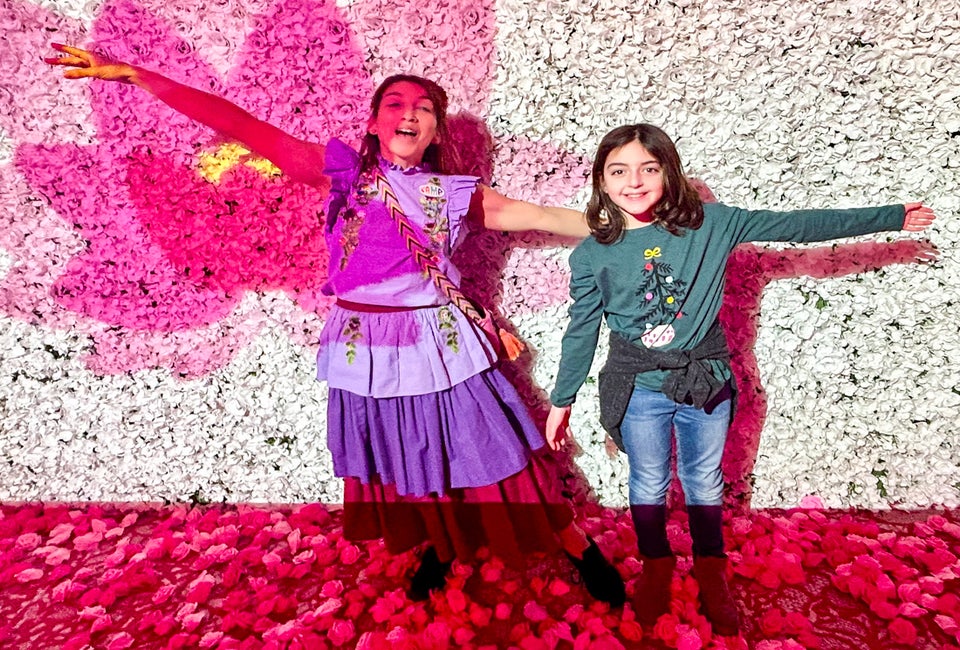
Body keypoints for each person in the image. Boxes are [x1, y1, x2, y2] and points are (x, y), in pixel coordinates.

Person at [46, 44, 626, 605]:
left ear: (435, 133)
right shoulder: (342, 175)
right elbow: (244, 127)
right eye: (396, 103)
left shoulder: (454, 195)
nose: (410, 113)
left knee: (492, 450)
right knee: (403, 456)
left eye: (424, 108)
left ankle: (574, 546)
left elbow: (550, 217)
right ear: (374, 123)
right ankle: (443, 548)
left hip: (441, 344)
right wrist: (137, 77)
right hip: (363, 347)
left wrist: (642, 224)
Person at [544, 123, 936, 635]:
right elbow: (581, 329)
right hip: (638, 386)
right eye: (619, 170)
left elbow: (796, 225)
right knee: (647, 479)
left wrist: (891, 216)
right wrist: (563, 397)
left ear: (668, 173)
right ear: (601, 179)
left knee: (704, 479)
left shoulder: (711, 224)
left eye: (649, 168)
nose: (634, 181)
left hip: (706, 379)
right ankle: (657, 568)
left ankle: (711, 571)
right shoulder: (592, 254)